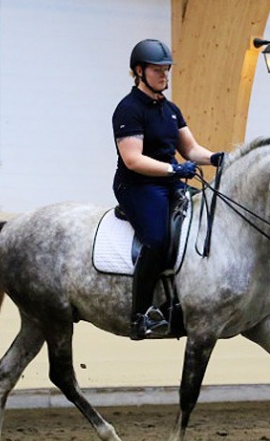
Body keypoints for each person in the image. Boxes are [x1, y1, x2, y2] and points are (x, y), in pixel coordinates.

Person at [112, 39, 223, 340]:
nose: (165, 76)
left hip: (170, 180)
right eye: (158, 70)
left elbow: (191, 149)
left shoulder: (171, 109)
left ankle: (179, 304)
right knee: (158, 239)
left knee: (197, 229)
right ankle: (139, 316)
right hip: (137, 185)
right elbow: (133, 159)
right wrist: (174, 169)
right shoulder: (129, 109)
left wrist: (215, 158)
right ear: (139, 71)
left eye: (167, 70)